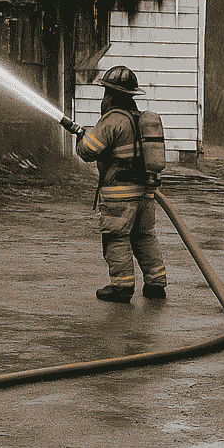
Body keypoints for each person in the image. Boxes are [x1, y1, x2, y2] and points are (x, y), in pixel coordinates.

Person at [76, 65, 167, 303]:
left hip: (119, 195)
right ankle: (156, 284)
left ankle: (121, 287)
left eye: (106, 92)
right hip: (146, 194)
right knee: (145, 236)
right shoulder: (141, 119)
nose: (103, 98)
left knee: (116, 238)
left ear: (112, 95)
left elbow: (88, 151)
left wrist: (80, 138)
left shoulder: (113, 120)